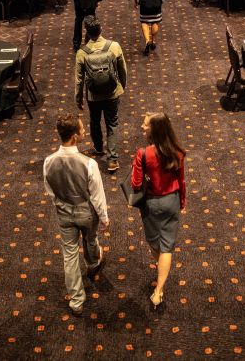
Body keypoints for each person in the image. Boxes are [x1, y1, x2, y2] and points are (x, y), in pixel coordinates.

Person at [43, 114, 109, 316]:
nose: (84, 132)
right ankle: (92, 264)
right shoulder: (89, 164)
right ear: (74, 136)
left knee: (69, 256)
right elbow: (97, 195)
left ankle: (76, 301)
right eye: (81, 130)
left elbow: (50, 191)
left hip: (64, 213)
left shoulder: (48, 162)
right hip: (86, 213)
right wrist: (104, 217)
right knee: (91, 239)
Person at [130, 112, 186, 311]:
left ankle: (159, 286)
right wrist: (182, 201)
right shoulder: (177, 152)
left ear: (154, 129)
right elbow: (181, 180)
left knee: (156, 243)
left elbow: (136, 184)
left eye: (145, 125)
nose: (142, 127)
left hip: (151, 203)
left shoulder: (143, 154)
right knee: (167, 246)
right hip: (171, 201)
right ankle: (159, 291)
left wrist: (137, 169)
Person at [75, 16, 127, 174]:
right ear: (101, 29)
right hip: (112, 93)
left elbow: (79, 80)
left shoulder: (82, 53)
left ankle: (98, 148)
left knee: (95, 121)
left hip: (93, 96)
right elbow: (122, 70)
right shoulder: (114, 46)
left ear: (87, 33)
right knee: (112, 123)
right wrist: (121, 87)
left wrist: (78, 98)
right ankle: (112, 160)